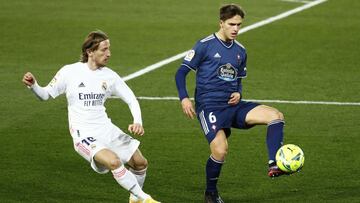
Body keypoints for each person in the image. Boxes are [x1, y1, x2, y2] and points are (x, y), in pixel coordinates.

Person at [22, 30, 160, 203]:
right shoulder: (69, 72)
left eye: (109, 49)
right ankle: (145, 199)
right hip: (84, 134)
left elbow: (131, 99)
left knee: (140, 163)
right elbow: (45, 95)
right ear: (90, 52)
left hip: (106, 129)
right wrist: (34, 85)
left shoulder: (109, 76)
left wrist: (137, 121)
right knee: (114, 162)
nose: (108, 54)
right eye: (103, 49)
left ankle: (135, 199)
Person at [175, 4, 287, 203]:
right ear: (221, 23)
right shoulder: (205, 45)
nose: (235, 29)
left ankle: (274, 163)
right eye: (231, 24)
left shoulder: (240, 51)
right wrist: (184, 98)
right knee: (220, 150)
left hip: (233, 106)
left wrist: (238, 92)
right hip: (209, 107)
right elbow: (181, 72)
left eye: (239, 25)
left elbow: (238, 80)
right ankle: (210, 192)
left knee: (275, 116)